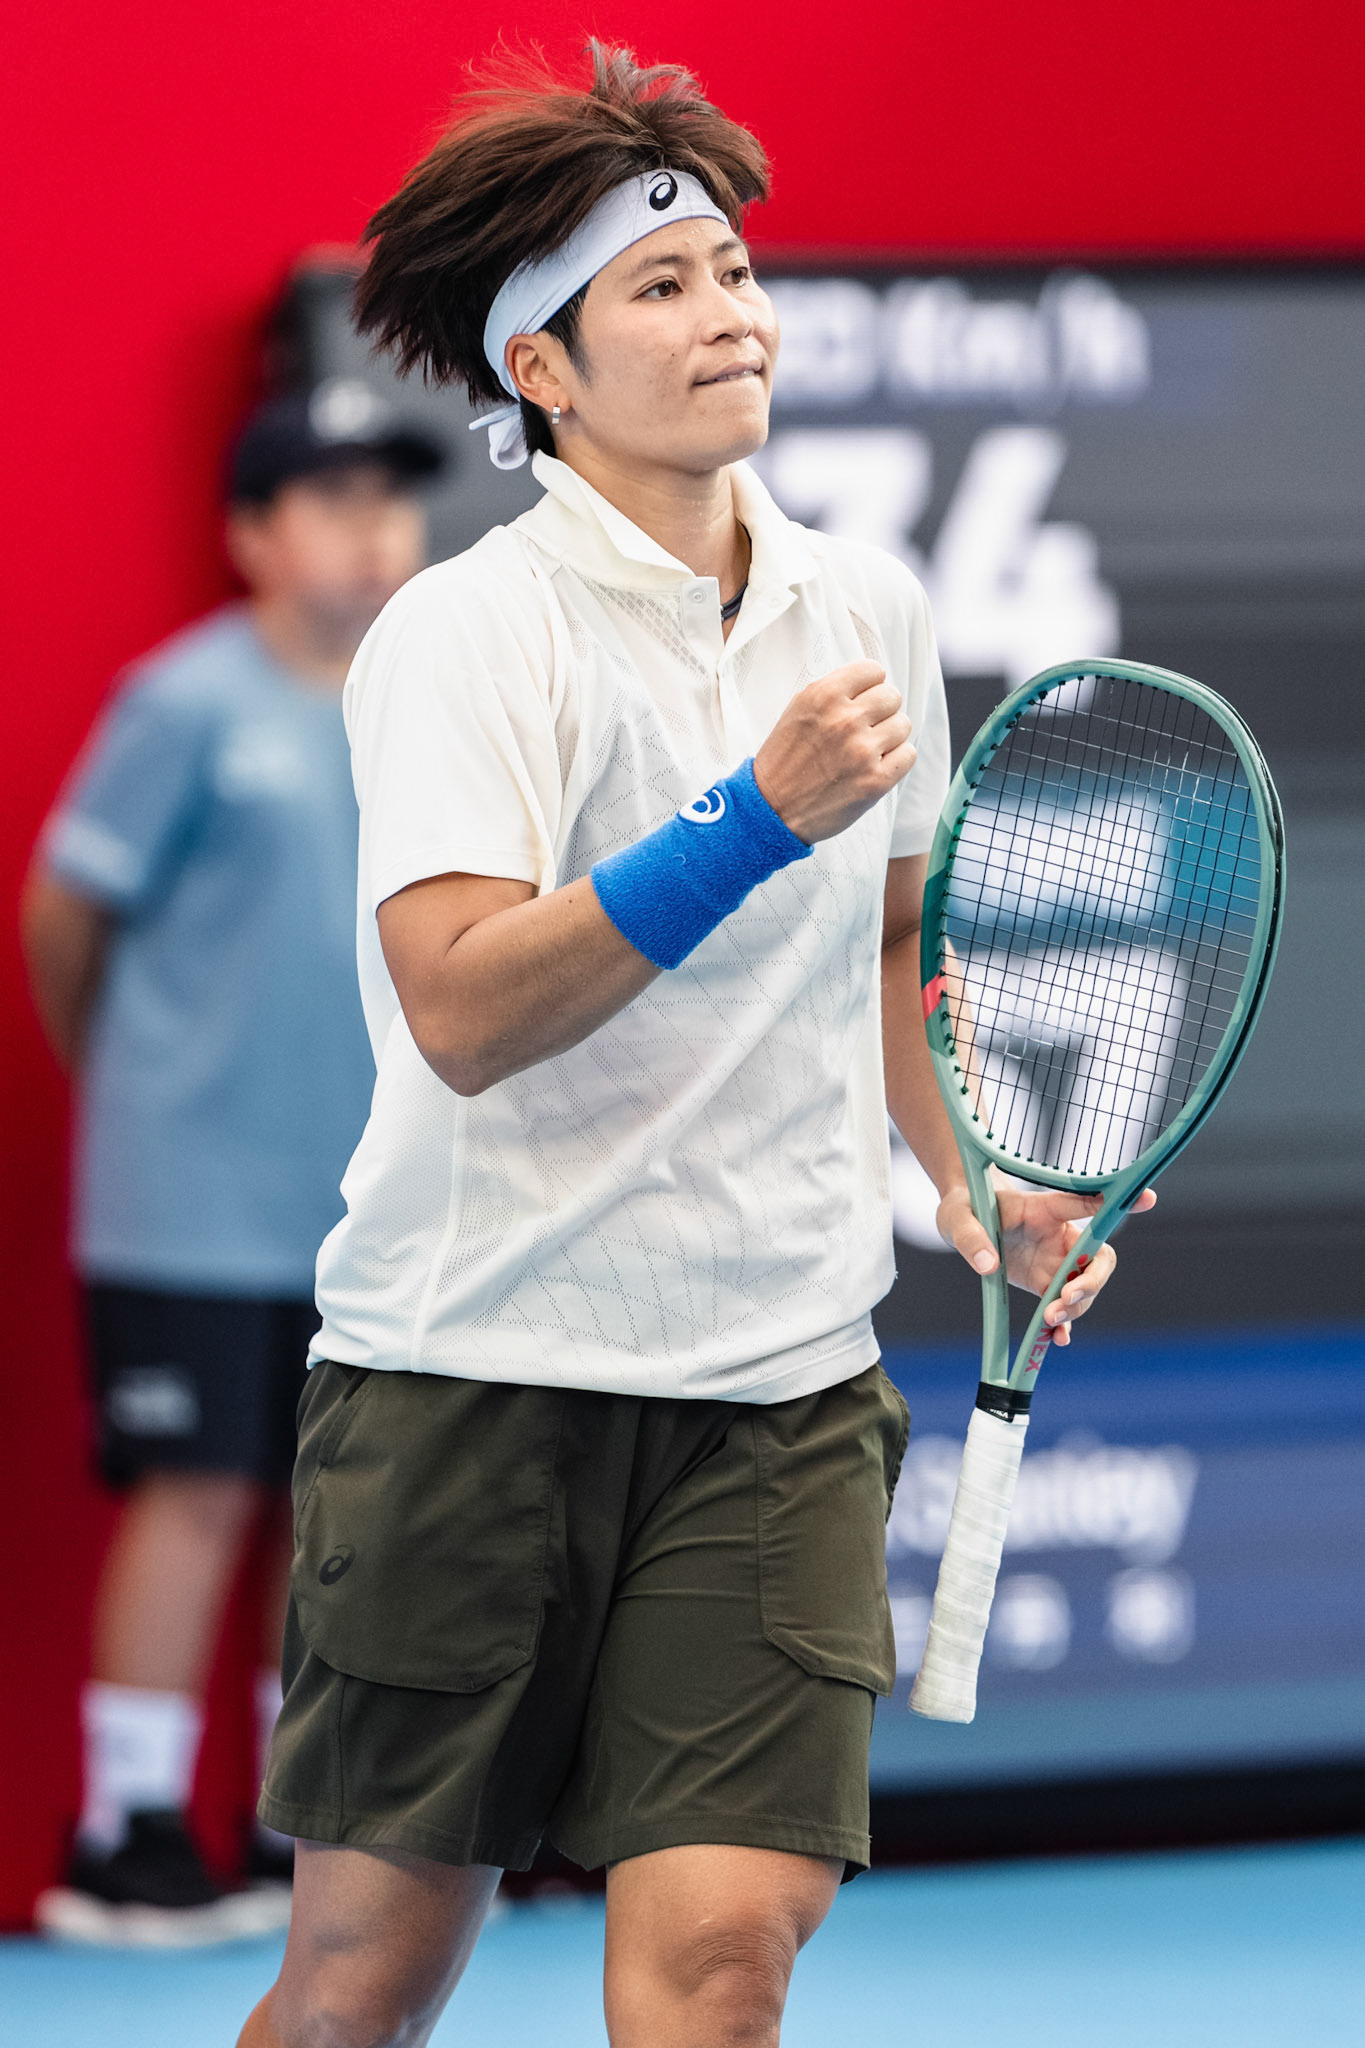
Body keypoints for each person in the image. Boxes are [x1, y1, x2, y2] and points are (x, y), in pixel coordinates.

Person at [238, 45, 1153, 2047]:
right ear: (540, 372)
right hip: (466, 1377)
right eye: (658, 287)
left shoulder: (867, 606)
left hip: (775, 1393)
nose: (725, 311)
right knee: (356, 1990)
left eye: (732, 270)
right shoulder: (465, 637)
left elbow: (902, 932)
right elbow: (466, 1010)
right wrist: (745, 822)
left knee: (719, 1965)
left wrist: (971, 1175)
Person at [22, 383, 443, 1945]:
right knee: (196, 1496)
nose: (369, 532)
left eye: (388, 498)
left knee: (322, 1508)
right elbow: (66, 919)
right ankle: (124, 1833)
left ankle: (287, 1829)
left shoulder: (431, 703)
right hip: (184, 1201)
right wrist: (153, 1087)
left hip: (367, 1202)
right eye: (328, 501)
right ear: (252, 536)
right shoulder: (183, 703)